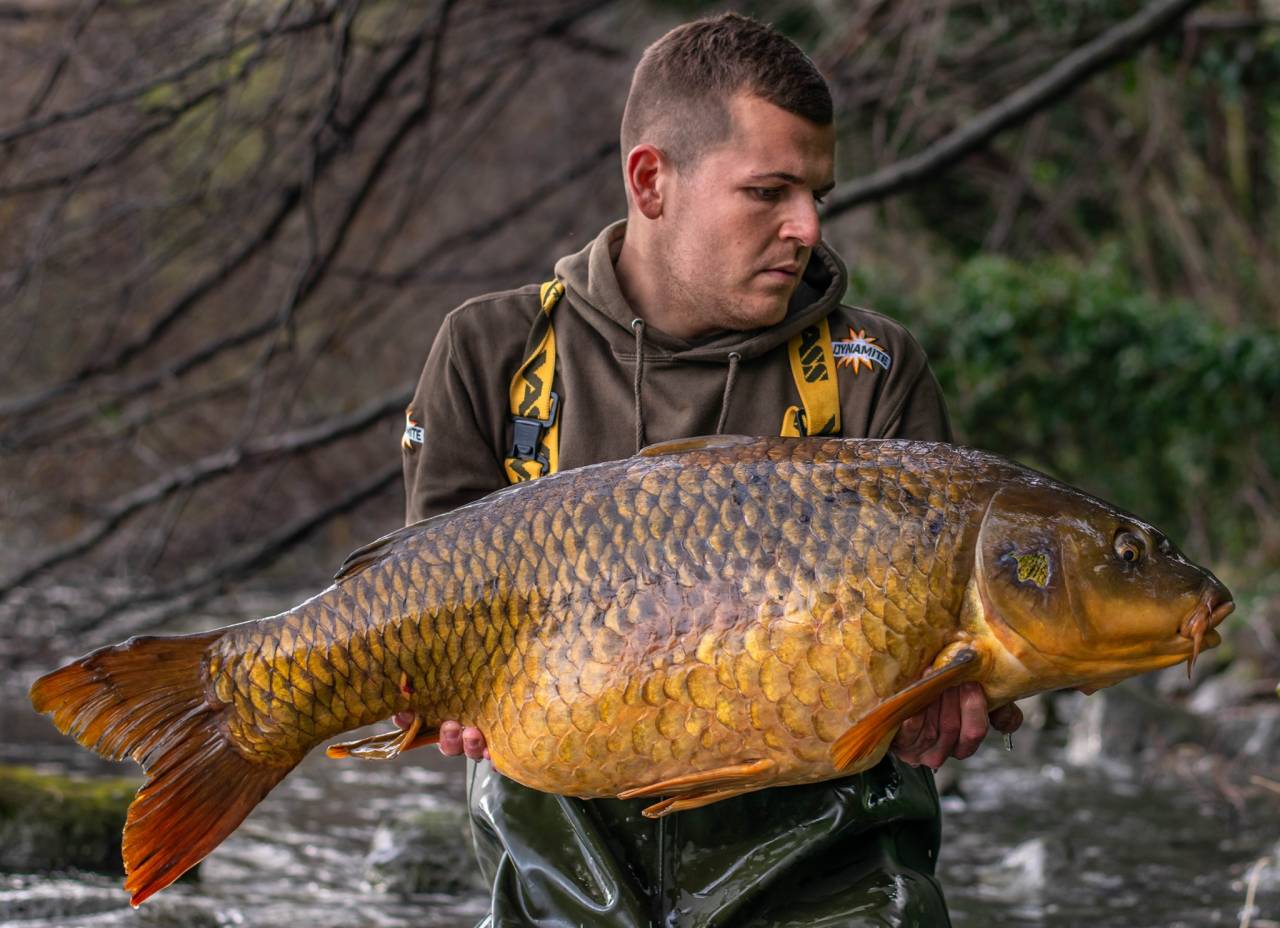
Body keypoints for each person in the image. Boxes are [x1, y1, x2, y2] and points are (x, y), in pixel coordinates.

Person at [401, 13, 1020, 926]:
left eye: (816, 193)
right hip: (562, 868)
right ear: (652, 182)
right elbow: (426, 611)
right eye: (768, 192)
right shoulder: (492, 351)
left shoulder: (871, 367)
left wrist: (956, 702)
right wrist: (439, 697)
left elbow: (946, 665)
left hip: (830, 874)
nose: (805, 227)